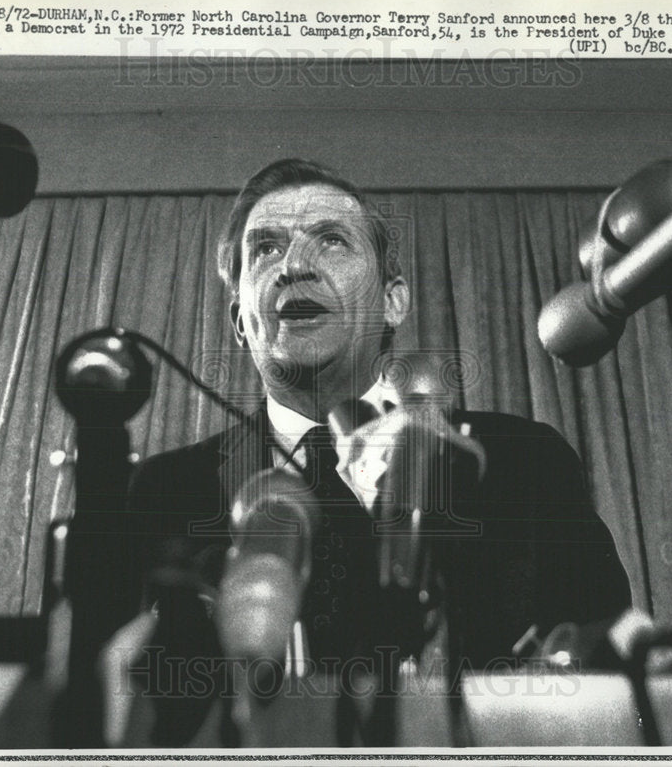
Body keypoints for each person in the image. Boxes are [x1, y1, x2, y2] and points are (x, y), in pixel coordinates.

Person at [124, 158, 631, 745]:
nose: (292, 266)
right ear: (241, 319)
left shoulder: (526, 461)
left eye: (331, 241)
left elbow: (610, 668)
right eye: (264, 250)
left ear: (394, 301)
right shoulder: (164, 493)